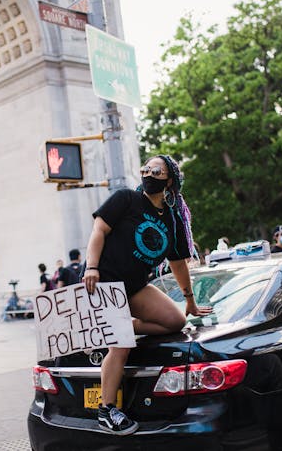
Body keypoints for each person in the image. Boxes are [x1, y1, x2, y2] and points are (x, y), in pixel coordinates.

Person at [82, 155, 213, 435]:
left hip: (135, 286)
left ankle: (124, 327)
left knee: (175, 320)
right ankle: (107, 410)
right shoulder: (126, 199)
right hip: (106, 283)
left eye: (156, 170)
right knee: (121, 346)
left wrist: (190, 300)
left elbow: (178, 263)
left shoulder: (173, 219)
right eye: (146, 169)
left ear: (170, 180)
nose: (148, 173)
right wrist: (91, 267)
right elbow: (99, 230)